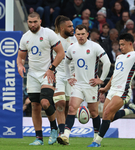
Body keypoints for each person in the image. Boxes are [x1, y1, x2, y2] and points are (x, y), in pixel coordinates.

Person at [87, 32, 135, 147]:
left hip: (122, 91)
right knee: (107, 117)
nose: (121, 47)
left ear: (130, 44)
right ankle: (130, 110)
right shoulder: (119, 57)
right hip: (112, 90)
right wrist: (106, 88)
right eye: (120, 44)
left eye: (123, 45)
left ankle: (96, 142)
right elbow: (115, 74)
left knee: (107, 114)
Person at [57, 24, 111, 145]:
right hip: (78, 84)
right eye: (78, 34)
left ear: (87, 34)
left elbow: (107, 62)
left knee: (94, 113)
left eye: (83, 34)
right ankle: (65, 136)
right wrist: (69, 77)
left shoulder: (95, 46)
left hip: (91, 85)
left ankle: (96, 139)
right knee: (71, 108)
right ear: (75, 35)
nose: (80, 37)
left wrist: (101, 79)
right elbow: (66, 63)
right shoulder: (72, 48)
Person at [17, 12, 65, 145]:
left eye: (35, 22)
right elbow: (20, 56)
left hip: (47, 73)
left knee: (45, 102)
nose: (32, 25)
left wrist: (51, 69)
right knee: (35, 106)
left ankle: (54, 128)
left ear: (40, 21)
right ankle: (39, 138)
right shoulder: (25, 38)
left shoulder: (49, 34)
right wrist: (20, 65)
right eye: (30, 22)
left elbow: (61, 53)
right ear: (27, 22)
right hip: (32, 74)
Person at [53, 15, 77, 137]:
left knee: (68, 105)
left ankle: (64, 132)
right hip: (58, 74)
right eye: (70, 26)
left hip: (71, 76)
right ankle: (61, 133)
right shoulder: (53, 39)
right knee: (60, 103)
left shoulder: (75, 40)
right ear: (62, 28)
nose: (73, 28)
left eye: (72, 26)